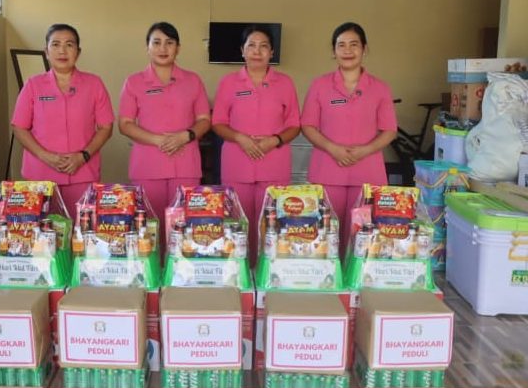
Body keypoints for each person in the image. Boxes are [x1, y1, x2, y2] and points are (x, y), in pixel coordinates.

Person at [301, 22, 397, 256]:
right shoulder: (320, 85)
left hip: (367, 173)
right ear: (333, 51)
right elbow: (308, 125)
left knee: (362, 236)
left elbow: (389, 130)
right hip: (327, 170)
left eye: (354, 44)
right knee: (325, 234)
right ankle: (329, 275)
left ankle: (355, 277)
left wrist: (365, 150)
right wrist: (332, 148)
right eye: (341, 45)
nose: (347, 50)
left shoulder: (380, 88)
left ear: (364, 49)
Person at [118, 22, 211, 255]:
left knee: (185, 226)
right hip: (148, 165)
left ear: (178, 48)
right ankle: (151, 271)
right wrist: (158, 140)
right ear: (147, 47)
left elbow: (204, 120)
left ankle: (181, 270)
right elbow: (125, 124)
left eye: (169, 43)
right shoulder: (134, 82)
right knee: (149, 227)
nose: (163, 48)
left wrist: (186, 135)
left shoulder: (193, 80)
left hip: (186, 163)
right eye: (156, 42)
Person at [212, 24, 301, 267]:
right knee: (237, 224)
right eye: (251, 45)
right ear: (242, 50)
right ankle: (238, 271)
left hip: (274, 163)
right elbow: (218, 122)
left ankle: (267, 272)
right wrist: (240, 137)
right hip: (237, 162)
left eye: (263, 46)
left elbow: (294, 124)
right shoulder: (229, 82)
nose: (257, 51)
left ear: (272, 52)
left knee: (271, 225)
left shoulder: (285, 83)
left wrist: (275, 140)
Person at [11, 24, 114, 220]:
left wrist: (83, 156)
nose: (62, 51)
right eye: (56, 44)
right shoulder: (33, 85)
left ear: (78, 52)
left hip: (83, 172)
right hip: (40, 175)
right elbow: (19, 127)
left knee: (81, 230)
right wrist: (45, 156)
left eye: (69, 45)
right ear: (46, 51)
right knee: (42, 233)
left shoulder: (94, 84)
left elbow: (106, 127)